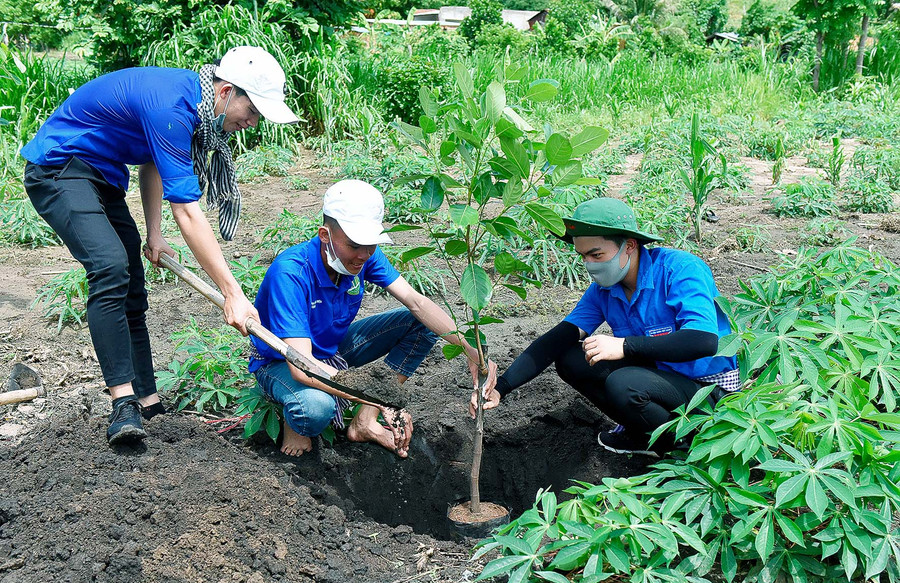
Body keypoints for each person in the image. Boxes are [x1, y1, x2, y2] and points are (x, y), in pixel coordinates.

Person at [21, 46, 300, 445]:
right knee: (110, 266)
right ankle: (123, 403)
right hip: (58, 168)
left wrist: (154, 232)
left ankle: (147, 400)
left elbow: (153, 161)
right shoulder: (172, 107)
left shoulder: (193, 104)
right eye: (252, 111)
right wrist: (232, 293)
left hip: (101, 176)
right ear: (225, 92)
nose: (252, 123)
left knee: (132, 284)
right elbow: (187, 213)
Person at [472, 197, 740, 455]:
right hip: (662, 379)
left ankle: (682, 443)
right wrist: (501, 387)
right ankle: (644, 433)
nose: (589, 265)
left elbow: (703, 341)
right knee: (572, 359)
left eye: (596, 254)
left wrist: (625, 346)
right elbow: (557, 340)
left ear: (629, 246)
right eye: (583, 256)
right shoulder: (605, 290)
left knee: (625, 384)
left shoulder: (679, 270)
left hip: (708, 392)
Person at [250, 179, 497, 458]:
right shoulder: (290, 273)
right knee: (315, 409)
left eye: (371, 245)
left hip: (331, 350)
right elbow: (302, 366)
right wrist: (383, 399)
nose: (364, 255)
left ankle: (364, 422)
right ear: (324, 235)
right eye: (355, 245)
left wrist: (469, 349)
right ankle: (294, 420)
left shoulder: (363, 255)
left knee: (421, 325)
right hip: (282, 361)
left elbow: (416, 302)